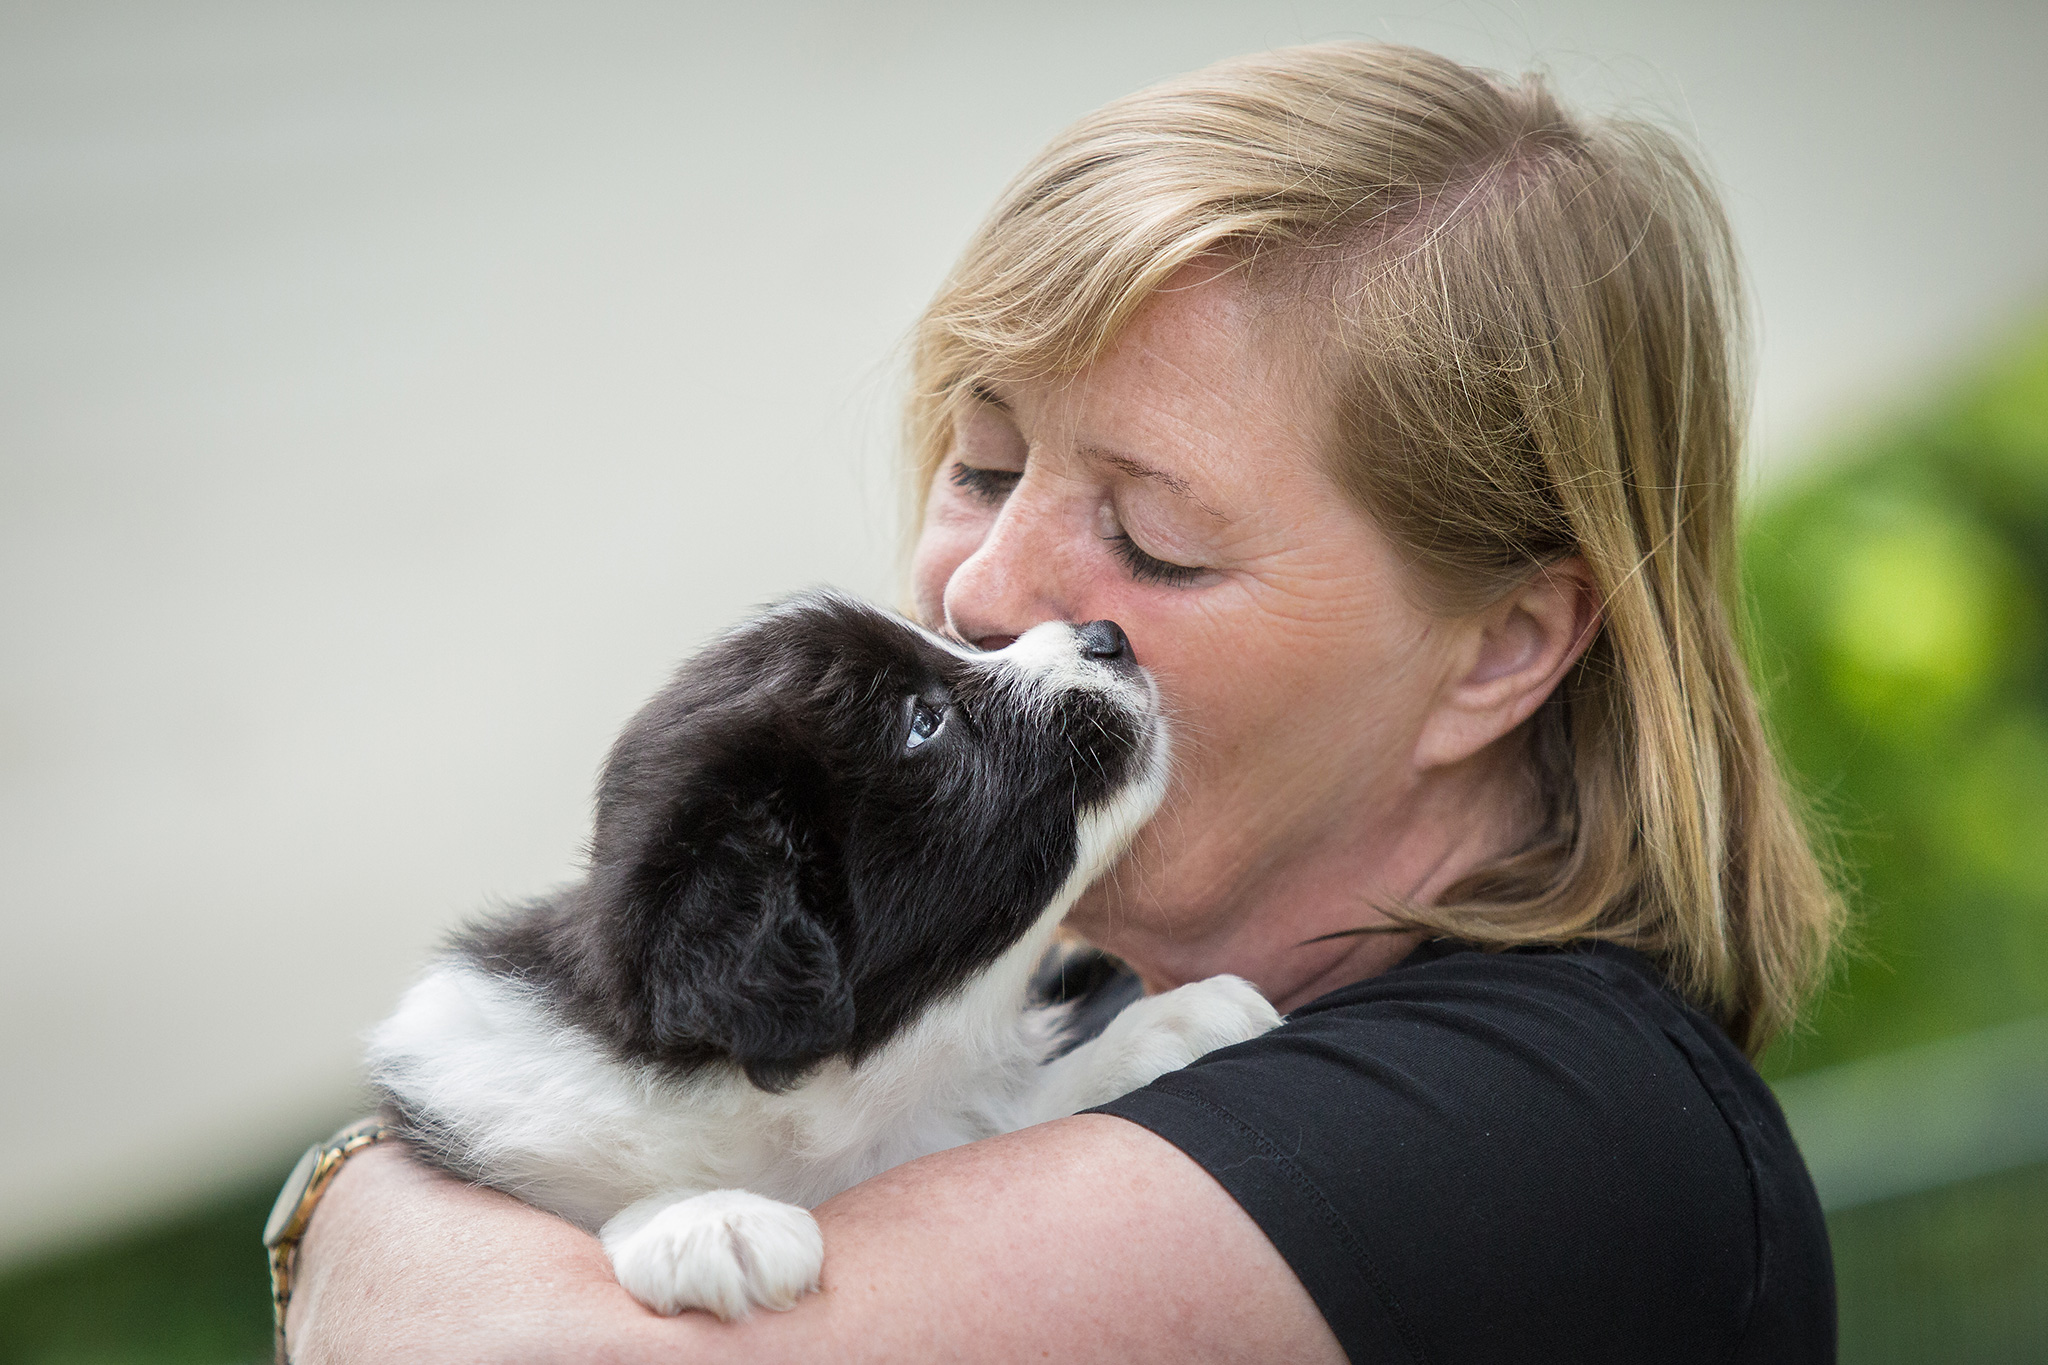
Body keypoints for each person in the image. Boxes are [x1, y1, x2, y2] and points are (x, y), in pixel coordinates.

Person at [284, 41, 1843, 1363]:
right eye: (981, 462)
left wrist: (358, 1195)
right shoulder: (1063, 1020)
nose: (983, 590)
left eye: (1153, 534)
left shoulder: (1542, 1130)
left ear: (1503, 650)